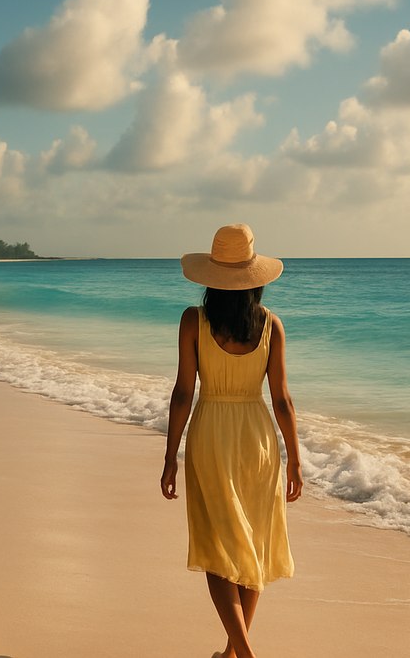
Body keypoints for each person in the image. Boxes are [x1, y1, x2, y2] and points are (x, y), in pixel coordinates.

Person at [161, 223, 303, 658]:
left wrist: (170, 457)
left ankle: (241, 652)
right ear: (254, 280)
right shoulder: (271, 326)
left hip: (210, 436)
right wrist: (295, 459)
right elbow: (281, 399)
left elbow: (184, 391)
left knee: (217, 547)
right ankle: (234, 652)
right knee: (250, 546)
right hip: (257, 440)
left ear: (209, 277)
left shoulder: (193, 320)